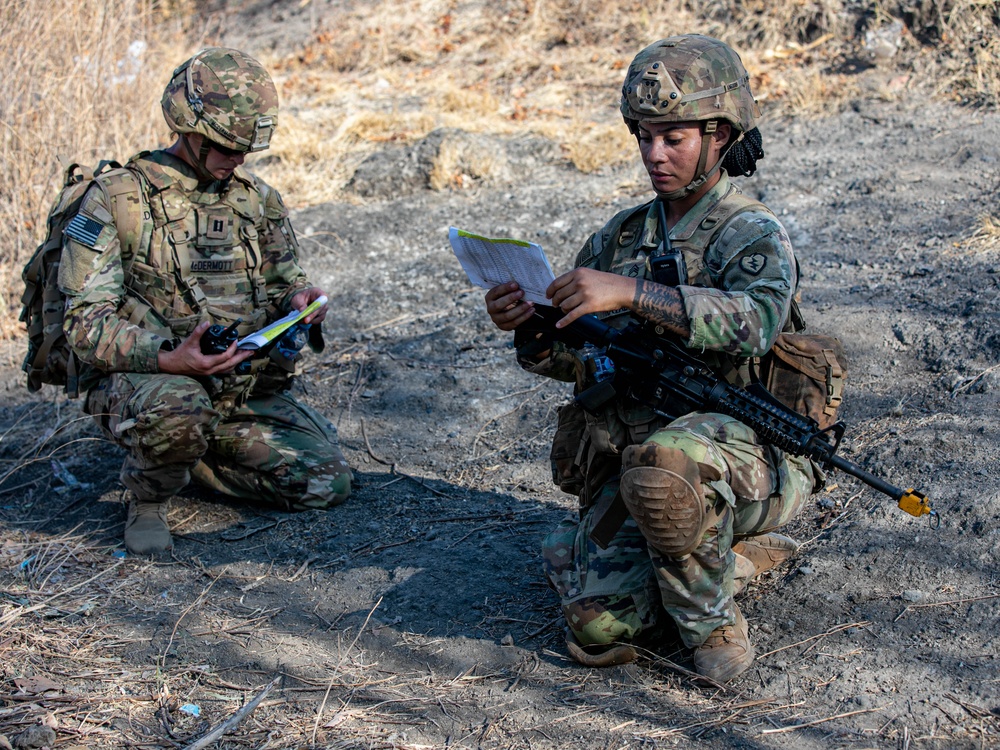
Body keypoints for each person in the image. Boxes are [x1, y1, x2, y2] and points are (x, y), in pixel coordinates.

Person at [484, 35, 820, 682]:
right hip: (638, 453)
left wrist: (634, 294)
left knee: (667, 466)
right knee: (596, 628)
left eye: (674, 137)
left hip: (750, 450)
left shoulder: (750, 232)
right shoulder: (620, 237)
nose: (654, 155)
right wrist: (530, 329)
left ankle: (713, 622)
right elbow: (580, 357)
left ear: (721, 134)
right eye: (644, 136)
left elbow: (756, 324)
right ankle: (700, 553)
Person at [58, 48, 353, 555]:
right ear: (187, 127)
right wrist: (171, 358)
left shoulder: (257, 200)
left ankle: (191, 452)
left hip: (238, 388)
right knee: (180, 405)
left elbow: (284, 280)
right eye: (223, 146)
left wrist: (300, 301)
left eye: (245, 150)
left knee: (325, 483)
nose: (236, 160)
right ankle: (149, 495)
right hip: (153, 383)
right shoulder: (119, 199)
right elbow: (85, 323)